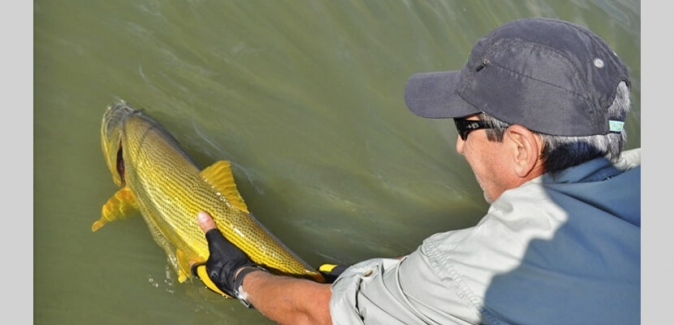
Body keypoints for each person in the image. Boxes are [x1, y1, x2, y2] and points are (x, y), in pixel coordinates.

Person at [190, 17, 640, 325]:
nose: (460, 145)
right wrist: (378, 279)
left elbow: (318, 314)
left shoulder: (474, 270)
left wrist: (240, 277)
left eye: (466, 127)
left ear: (521, 148)